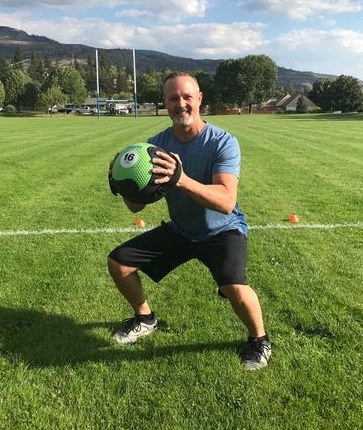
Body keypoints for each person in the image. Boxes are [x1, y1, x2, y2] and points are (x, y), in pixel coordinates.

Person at [107, 72, 271, 370]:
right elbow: (135, 207)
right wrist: (123, 185)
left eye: (186, 97)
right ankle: (145, 319)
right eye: (173, 98)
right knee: (119, 262)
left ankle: (259, 340)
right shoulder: (155, 147)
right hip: (182, 230)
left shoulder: (222, 142)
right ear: (165, 104)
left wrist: (181, 179)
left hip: (223, 229)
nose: (180, 104)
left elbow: (226, 201)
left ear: (199, 100)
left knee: (233, 285)